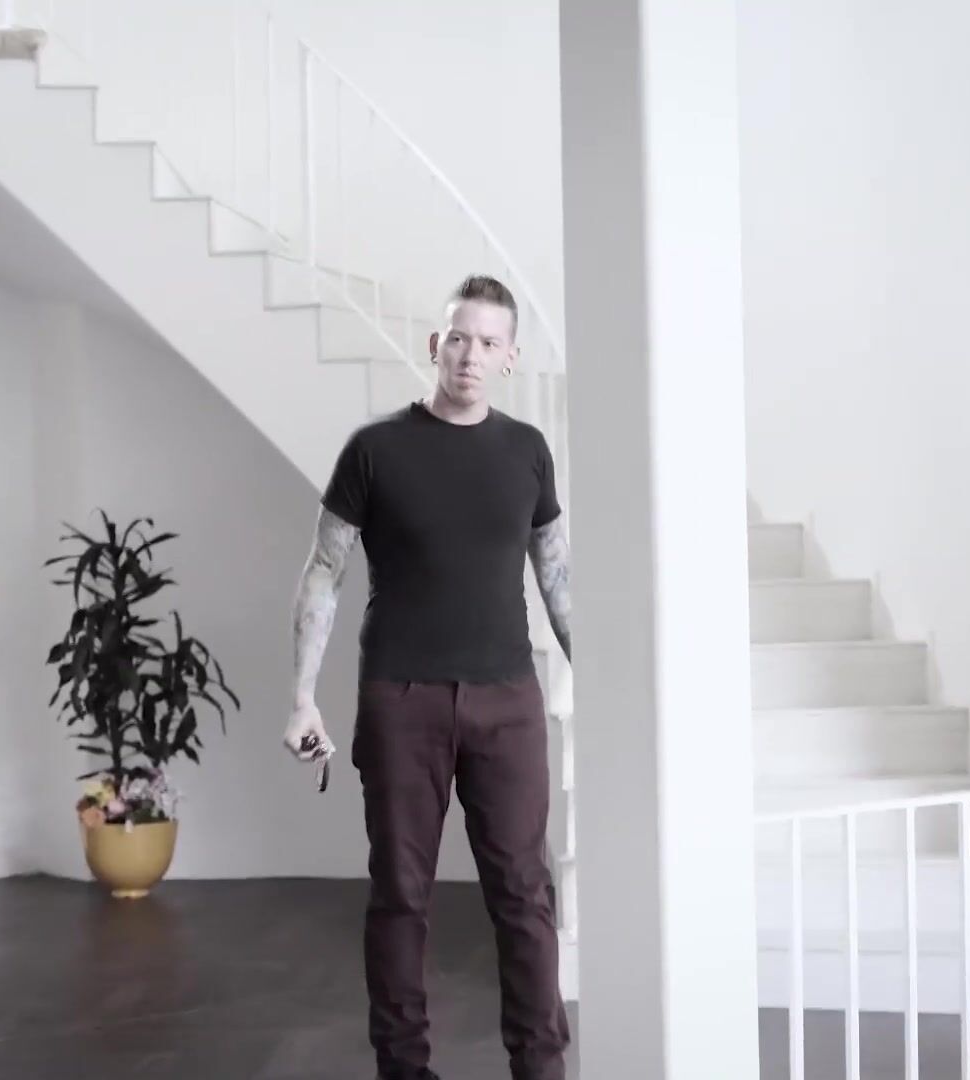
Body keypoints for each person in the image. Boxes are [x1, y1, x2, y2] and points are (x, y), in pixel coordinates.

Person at [284, 274, 573, 1080]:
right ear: (435, 345)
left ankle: (541, 1069)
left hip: (507, 701)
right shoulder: (375, 450)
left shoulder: (527, 452)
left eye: (489, 342)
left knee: (524, 893)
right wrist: (302, 697)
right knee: (401, 893)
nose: (471, 355)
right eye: (459, 338)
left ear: (510, 357)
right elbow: (323, 572)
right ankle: (404, 1070)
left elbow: (557, 578)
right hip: (400, 700)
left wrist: (605, 683)